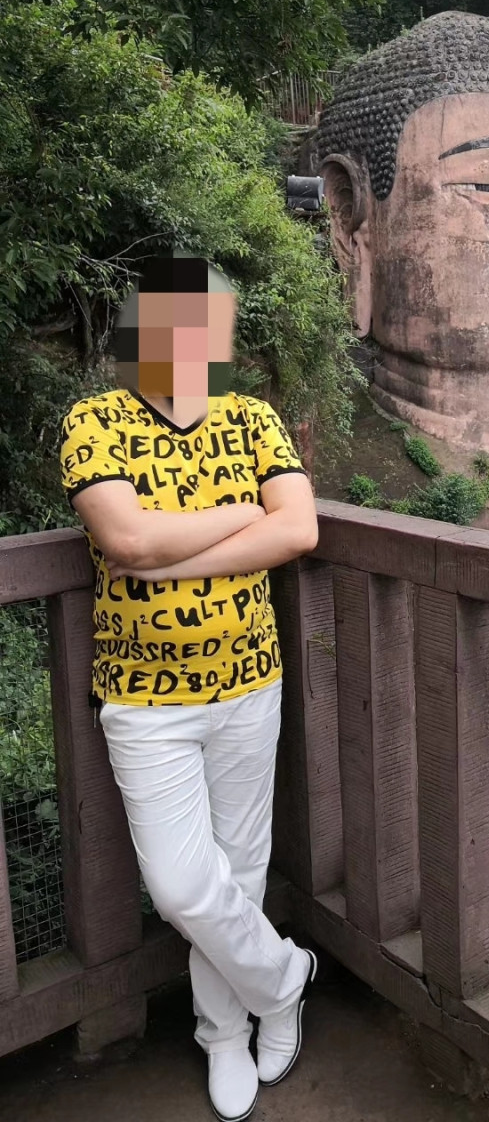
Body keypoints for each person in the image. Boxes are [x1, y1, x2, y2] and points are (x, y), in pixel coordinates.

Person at [59, 256, 320, 1122]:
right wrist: (245, 515)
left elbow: (300, 528)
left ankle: (224, 1032)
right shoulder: (95, 422)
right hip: (144, 699)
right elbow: (128, 542)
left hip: (249, 683)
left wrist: (175, 560)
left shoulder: (251, 419)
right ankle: (285, 979)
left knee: (238, 873)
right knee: (180, 886)